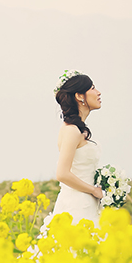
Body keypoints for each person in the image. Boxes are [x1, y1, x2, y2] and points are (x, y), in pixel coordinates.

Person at [42, 71, 104, 229]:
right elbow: (62, 173)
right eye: (92, 88)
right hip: (77, 205)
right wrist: (94, 191)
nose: (98, 92)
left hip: (87, 203)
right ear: (79, 96)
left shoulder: (77, 130)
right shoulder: (71, 131)